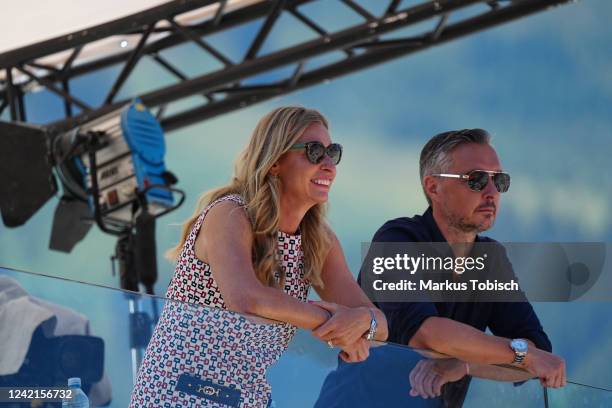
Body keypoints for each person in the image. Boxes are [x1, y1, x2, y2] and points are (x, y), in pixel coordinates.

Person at [130, 106, 387, 407]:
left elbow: (381, 328)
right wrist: (336, 323)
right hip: (178, 394)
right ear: (275, 161)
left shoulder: (320, 240)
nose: (329, 165)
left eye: (334, 152)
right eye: (315, 152)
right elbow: (246, 299)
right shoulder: (230, 213)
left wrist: (361, 322)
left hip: (247, 398)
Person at [358, 129, 566, 406]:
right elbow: (425, 334)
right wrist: (524, 355)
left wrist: (466, 364)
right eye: (477, 180)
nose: (492, 192)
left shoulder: (491, 258)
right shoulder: (396, 239)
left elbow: (538, 350)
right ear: (434, 187)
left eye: (499, 180)